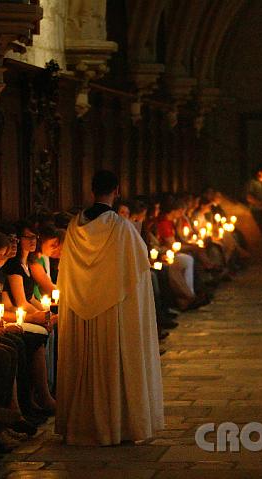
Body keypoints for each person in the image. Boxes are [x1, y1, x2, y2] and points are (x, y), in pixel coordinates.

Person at [55, 170, 164, 445]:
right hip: (112, 312)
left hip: (81, 314)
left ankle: (82, 423)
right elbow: (139, 268)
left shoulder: (74, 226)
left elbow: (66, 272)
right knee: (111, 363)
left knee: (84, 363)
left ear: (92, 190)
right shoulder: (121, 227)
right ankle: (115, 424)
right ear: (117, 191)